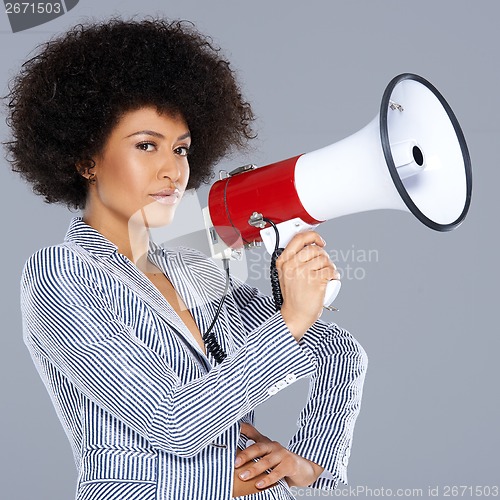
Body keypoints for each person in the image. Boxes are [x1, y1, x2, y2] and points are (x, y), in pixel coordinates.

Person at [5, 18, 368, 500]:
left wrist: (312, 461)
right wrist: (289, 321)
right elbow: (172, 422)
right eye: (145, 145)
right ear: (85, 159)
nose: (172, 170)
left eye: (181, 149)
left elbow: (338, 354)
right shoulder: (61, 273)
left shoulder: (191, 262)